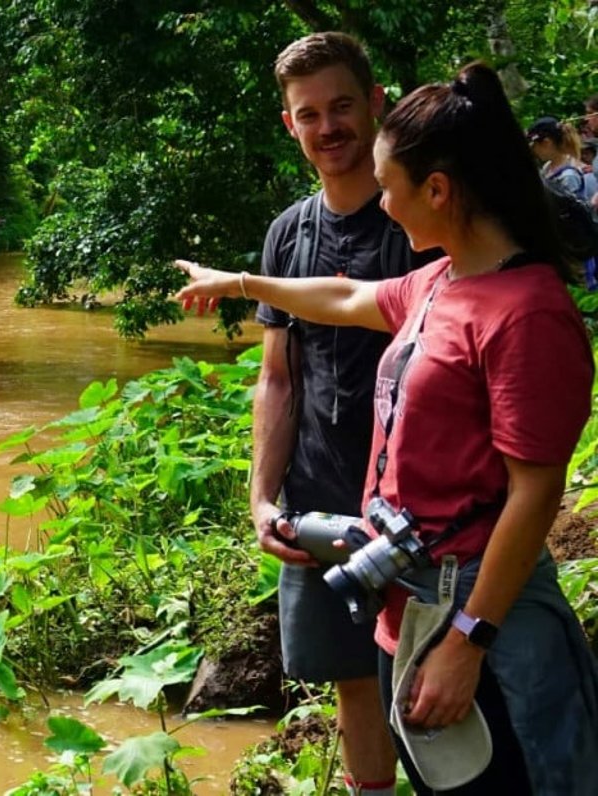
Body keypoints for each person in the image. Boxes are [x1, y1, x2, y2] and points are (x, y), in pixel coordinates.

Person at [176, 62, 598, 794]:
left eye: (390, 189)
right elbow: (342, 295)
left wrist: (469, 639)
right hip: (407, 600)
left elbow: (534, 495)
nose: (386, 210)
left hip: (477, 612)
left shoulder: (527, 314)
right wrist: (239, 284)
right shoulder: (440, 281)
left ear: (436, 190)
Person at [251, 32, 436, 796]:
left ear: (377, 105)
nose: (328, 128)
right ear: (290, 127)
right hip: (322, 499)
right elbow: (279, 380)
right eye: (308, 114)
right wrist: (262, 496)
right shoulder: (287, 234)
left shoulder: (424, 222)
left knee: (430, 679)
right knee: (353, 683)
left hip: (423, 507)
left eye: (342, 107)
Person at [528, 115, 586, 198]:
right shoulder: (548, 166)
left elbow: (570, 208)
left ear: (546, 143)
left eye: (534, 146)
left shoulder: (568, 176)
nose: (534, 150)